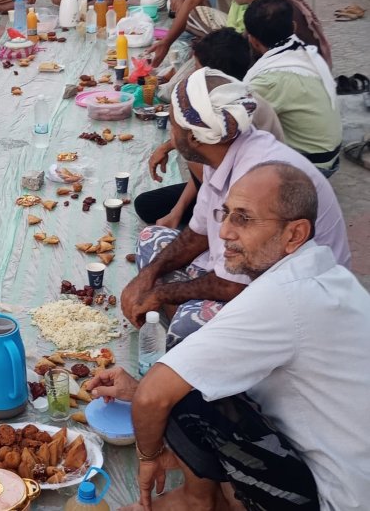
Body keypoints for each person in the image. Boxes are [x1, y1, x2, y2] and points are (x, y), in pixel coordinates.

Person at [97, 164, 370, 511]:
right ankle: (207, 497)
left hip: (336, 499)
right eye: (225, 214)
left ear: (294, 234)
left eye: (243, 218)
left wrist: (149, 456)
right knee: (196, 377)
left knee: (184, 390)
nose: (224, 231)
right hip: (352, 472)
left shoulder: (281, 298)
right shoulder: (323, 273)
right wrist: (141, 392)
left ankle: (203, 503)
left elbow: (154, 397)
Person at [122, 67, 350, 349]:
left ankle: (204, 365)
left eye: (172, 124)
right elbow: (198, 233)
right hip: (241, 271)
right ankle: (179, 327)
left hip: (294, 299)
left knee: (192, 326)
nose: (170, 133)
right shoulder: (223, 152)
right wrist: (148, 276)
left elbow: (236, 284)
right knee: (152, 239)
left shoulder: (257, 179)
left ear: (193, 138)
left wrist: (161, 294)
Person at [134, 28, 284, 227]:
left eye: (196, 68)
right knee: (148, 204)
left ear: (210, 76)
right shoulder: (231, 101)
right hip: (230, 181)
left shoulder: (235, 115)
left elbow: (206, 165)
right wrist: (176, 211)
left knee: (191, 156)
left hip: (255, 195)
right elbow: (209, 167)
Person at [243, 0, 342, 177]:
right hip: (331, 155)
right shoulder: (307, 53)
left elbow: (240, 123)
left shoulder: (269, 78)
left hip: (314, 166)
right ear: (294, 27)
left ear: (253, 40)